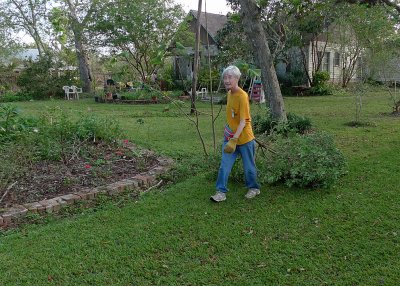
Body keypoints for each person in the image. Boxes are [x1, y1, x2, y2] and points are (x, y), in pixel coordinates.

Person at [210, 65, 260, 202]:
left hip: (244, 139)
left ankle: (254, 188)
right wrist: (228, 130)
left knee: (249, 167)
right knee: (224, 166)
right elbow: (232, 117)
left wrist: (234, 139)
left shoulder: (242, 96)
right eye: (225, 77)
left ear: (237, 78)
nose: (226, 80)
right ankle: (221, 192)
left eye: (230, 77)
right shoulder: (229, 94)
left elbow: (243, 121)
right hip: (230, 137)